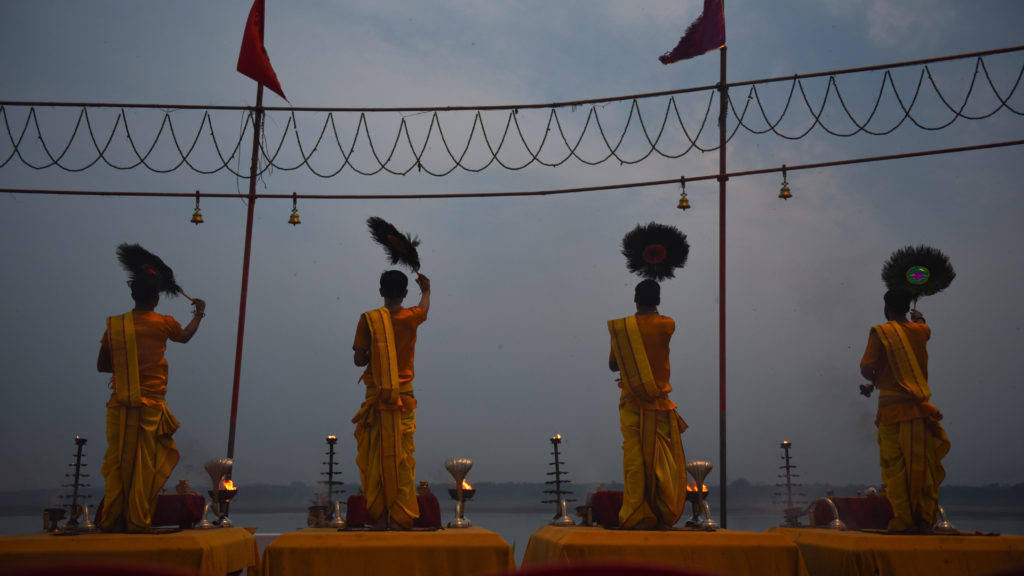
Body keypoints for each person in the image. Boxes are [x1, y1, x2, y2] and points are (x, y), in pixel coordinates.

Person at [96, 269, 205, 532]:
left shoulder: (116, 325)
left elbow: (102, 365)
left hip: (119, 406)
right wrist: (199, 313)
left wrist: (129, 366)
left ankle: (113, 521)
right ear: (156, 299)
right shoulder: (162, 322)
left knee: (118, 464)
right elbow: (185, 336)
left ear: (133, 296)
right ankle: (137, 521)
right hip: (150, 408)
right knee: (145, 466)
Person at [859, 287, 950, 532]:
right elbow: (924, 328)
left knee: (895, 468)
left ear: (887, 308)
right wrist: (919, 319)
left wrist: (875, 376)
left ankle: (903, 521)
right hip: (919, 412)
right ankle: (923, 520)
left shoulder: (881, 333)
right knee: (922, 466)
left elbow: (867, 367)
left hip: (891, 412)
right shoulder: (921, 332)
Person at [352, 270, 430, 529]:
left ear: (381, 291)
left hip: (376, 398)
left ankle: (380, 518)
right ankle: (400, 518)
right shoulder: (411, 318)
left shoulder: (369, 320)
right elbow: (423, 310)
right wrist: (427, 290)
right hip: (403, 398)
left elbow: (359, 360)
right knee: (402, 458)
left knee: (375, 458)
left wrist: (377, 353)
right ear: (405, 293)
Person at [607, 279, 688, 529]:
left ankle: (635, 515)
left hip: (632, 404)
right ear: (659, 300)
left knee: (634, 460)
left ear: (634, 298)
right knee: (660, 461)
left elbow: (613, 365)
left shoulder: (622, 330)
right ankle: (662, 514)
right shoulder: (667, 324)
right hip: (658, 405)